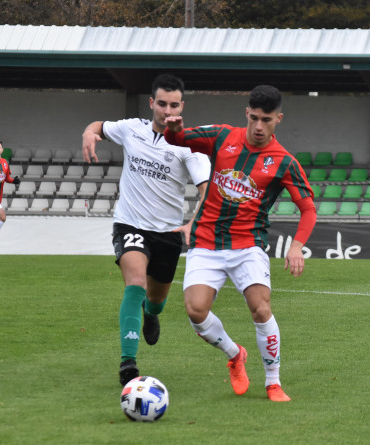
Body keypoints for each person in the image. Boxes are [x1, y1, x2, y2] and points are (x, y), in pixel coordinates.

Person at [164, 84, 317, 402]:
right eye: (255, 118)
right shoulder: (221, 136)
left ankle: (273, 382)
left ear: (279, 119)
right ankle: (235, 355)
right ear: (246, 113)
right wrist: (174, 130)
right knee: (195, 310)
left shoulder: (284, 162)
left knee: (261, 309)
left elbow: (308, 209)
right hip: (206, 241)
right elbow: (177, 140)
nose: (259, 127)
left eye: (267, 120)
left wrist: (295, 245)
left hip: (249, 245)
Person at [81, 73, 210, 387]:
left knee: (156, 300)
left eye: (174, 105)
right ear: (152, 103)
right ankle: (128, 363)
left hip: (167, 234)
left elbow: (207, 188)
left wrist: (194, 221)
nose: (168, 111)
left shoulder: (190, 147)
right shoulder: (131, 129)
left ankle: (151, 314)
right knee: (134, 281)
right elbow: (100, 126)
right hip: (129, 224)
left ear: (182, 105)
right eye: (162, 103)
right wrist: (89, 132)